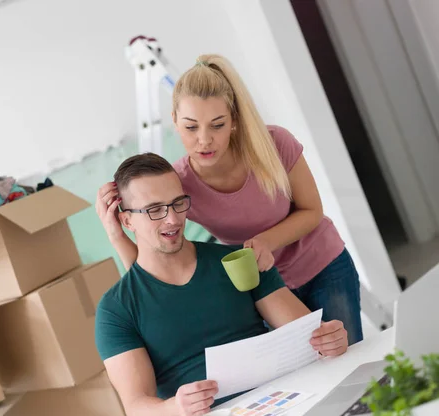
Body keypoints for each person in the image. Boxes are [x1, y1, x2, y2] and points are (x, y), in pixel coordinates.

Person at [96, 54, 363, 345]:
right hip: (262, 289)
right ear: (174, 121)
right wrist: (116, 232)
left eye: (217, 125)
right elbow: (153, 266)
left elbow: (312, 211)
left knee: (348, 360)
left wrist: (266, 242)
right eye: (191, 127)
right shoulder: (178, 184)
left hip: (324, 266)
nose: (204, 139)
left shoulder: (274, 144)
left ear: (234, 120)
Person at [95, 153, 349, 416]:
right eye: (155, 209)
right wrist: (177, 408)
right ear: (127, 221)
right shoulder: (115, 309)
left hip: (280, 408)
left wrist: (329, 339)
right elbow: (138, 411)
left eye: (178, 203)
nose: (172, 219)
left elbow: (308, 335)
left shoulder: (238, 261)